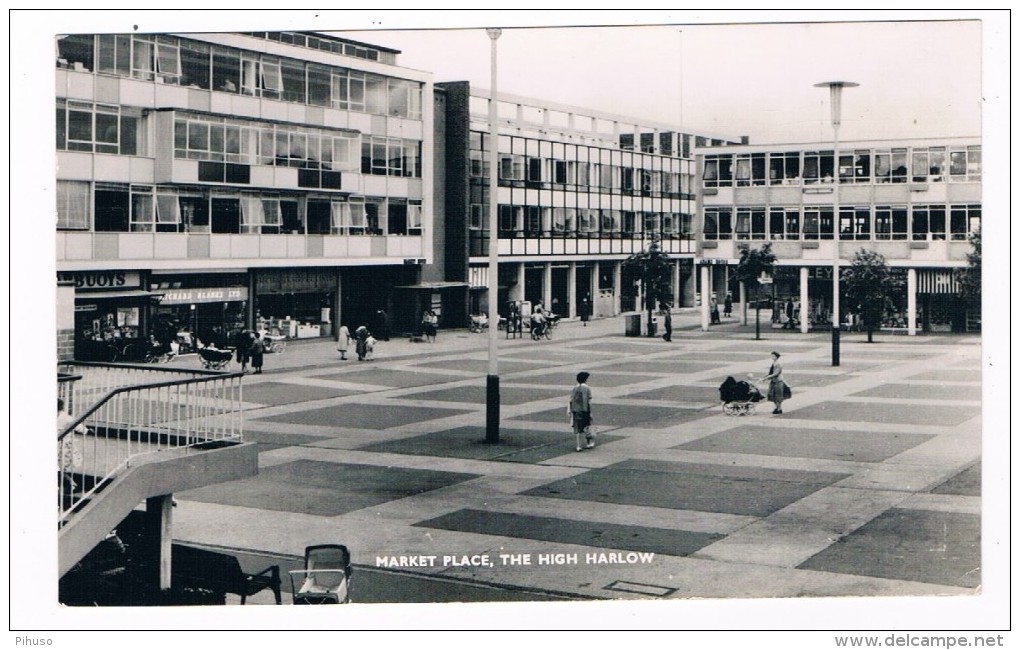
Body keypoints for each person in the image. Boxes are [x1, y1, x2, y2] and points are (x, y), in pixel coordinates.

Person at [57, 398, 86, 490]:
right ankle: (69, 483)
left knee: (61, 464)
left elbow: (77, 425)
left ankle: (69, 483)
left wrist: (86, 430)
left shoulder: (65, 417)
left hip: (63, 445)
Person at [568, 371, 595, 452]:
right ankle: (588, 443)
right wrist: (591, 412)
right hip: (584, 410)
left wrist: (570, 409)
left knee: (578, 428)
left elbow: (571, 399)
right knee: (587, 426)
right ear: (586, 379)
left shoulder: (575, 388)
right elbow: (589, 401)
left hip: (576, 410)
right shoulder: (587, 388)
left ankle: (578, 446)